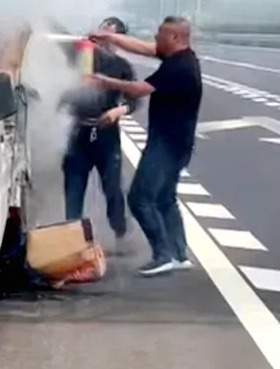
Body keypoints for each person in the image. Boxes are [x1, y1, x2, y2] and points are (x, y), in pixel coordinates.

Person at [86, 15, 203, 277]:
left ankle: (163, 255)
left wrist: (103, 81)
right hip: (177, 143)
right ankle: (178, 254)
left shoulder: (179, 67)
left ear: (175, 37)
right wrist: (110, 37)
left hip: (167, 145)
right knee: (164, 198)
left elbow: (138, 89)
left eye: (160, 34)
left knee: (140, 198)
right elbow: (143, 48)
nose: (154, 38)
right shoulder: (181, 57)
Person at [57, 17, 140, 240]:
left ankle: (120, 231)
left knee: (112, 189)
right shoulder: (81, 54)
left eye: (109, 35)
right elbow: (60, 39)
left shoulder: (122, 67)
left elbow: (134, 100)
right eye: (101, 32)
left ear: (119, 41)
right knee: (73, 188)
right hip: (78, 133)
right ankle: (73, 237)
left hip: (106, 135)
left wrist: (118, 111)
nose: (103, 39)